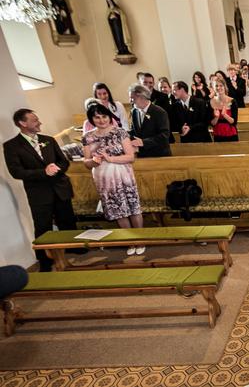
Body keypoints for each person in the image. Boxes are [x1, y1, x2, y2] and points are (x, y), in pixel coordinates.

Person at [4, 109, 78, 271]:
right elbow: (16, 172)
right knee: (43, 227)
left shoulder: (48, 140)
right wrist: (43, 172)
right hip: (39, 193)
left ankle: (75, 249)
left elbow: (64, 162)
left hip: (60, 188)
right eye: (35, 120)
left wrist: (57, 168)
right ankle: (45, 261)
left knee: (67, 221)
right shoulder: (11, 146)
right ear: (22, 123)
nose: (39, 122)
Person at [82, 102, 144, 255]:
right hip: (104, 179)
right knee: (117, 210)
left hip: (123, 175)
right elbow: (86, 162)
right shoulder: (87, 137)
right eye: (97, 117)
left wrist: (110, 159)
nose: (101, 120)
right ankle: (130, 242)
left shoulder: (120, 132)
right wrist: (93, 161)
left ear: (109, 117)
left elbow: (130, 157)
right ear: (91, 119)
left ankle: (141, 240)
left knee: (132, 208)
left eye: (104, 116)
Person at [128, 84, 171, 157]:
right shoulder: (134, 112)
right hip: (142, 155)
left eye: (132, 98)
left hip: (159, 155)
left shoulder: (159, 112)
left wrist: (144, 142)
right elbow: (133, 131)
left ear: (142, 97)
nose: (130, 101)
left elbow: (164, 135)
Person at [209, 78, 238, 142]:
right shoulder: (211, 101)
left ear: (225, 87)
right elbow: (212, 124)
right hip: (217, 133)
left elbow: (234, 122)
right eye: (216, 86)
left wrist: (224, 115)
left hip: (231, 133)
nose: (218, 88)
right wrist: (216, 117)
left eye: (221, 85)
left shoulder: (232, 101)